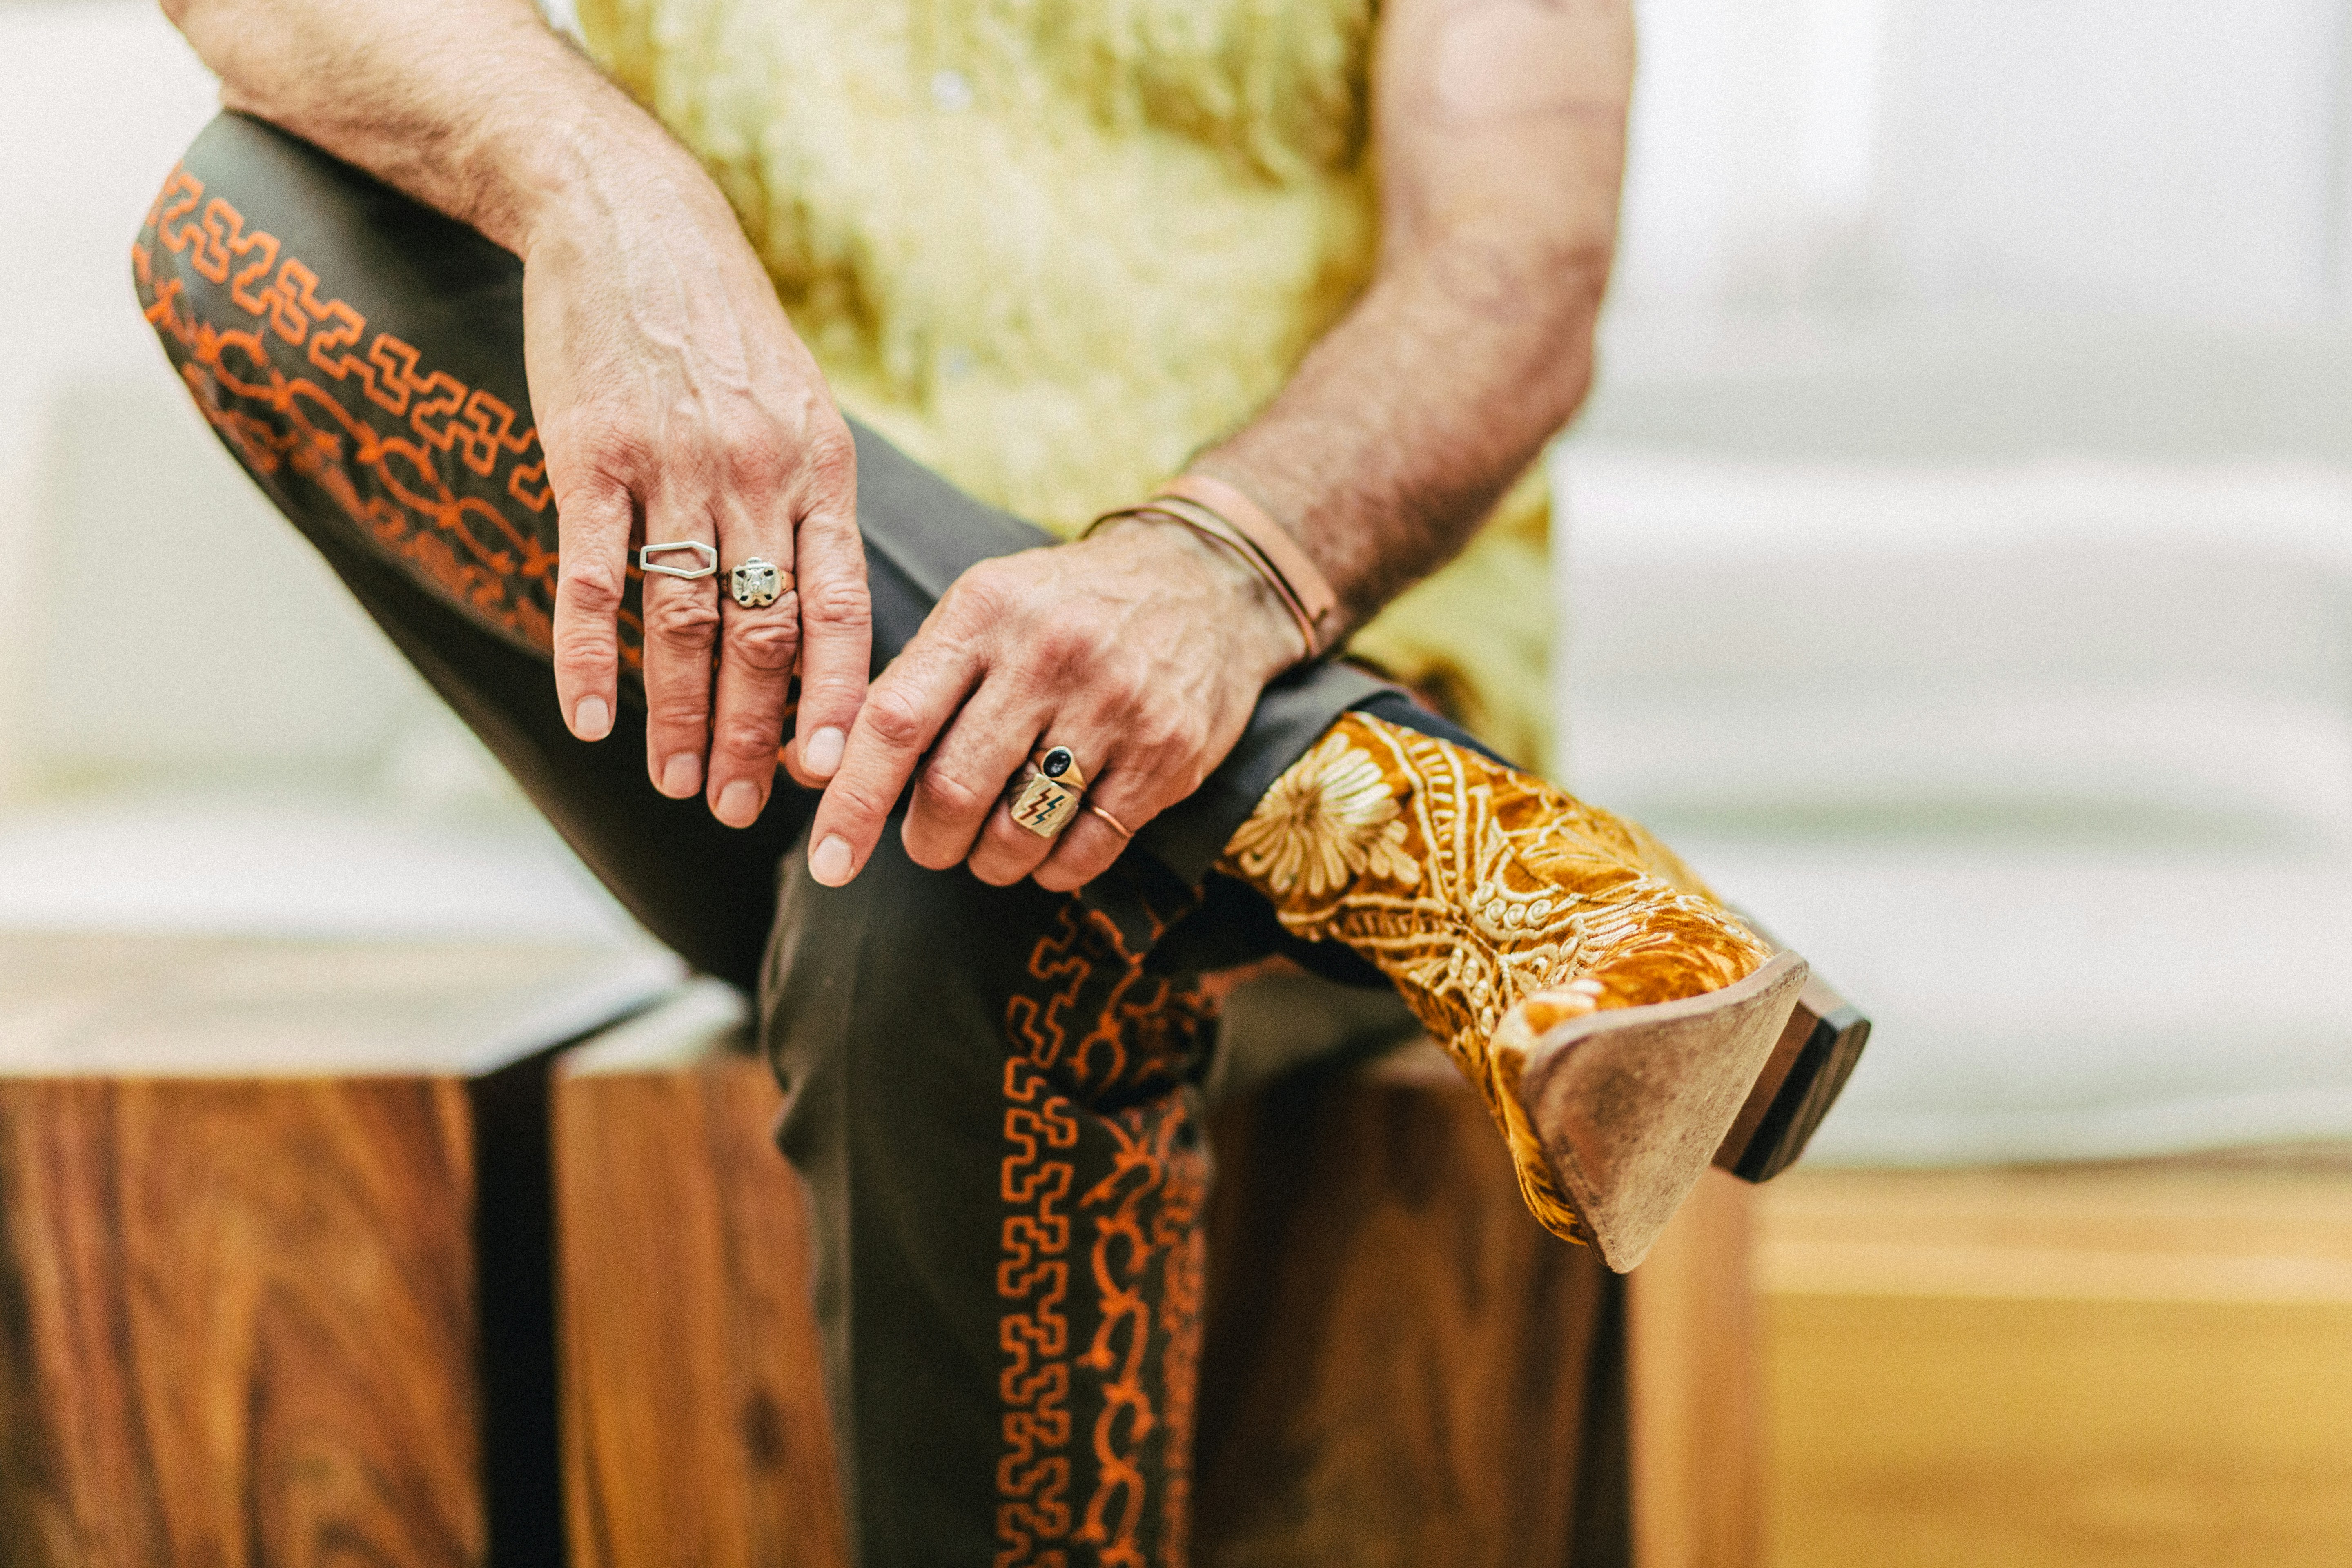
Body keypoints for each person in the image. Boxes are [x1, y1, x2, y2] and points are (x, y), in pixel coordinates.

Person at [140, 0, 1831, 1560]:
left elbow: (1512, 265)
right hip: (771, 688)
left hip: (1279, 622)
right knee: (245, 215)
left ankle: (1301, 770)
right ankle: (1402, 832)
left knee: (946, 869)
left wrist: (1226, 572)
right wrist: (596, 178)